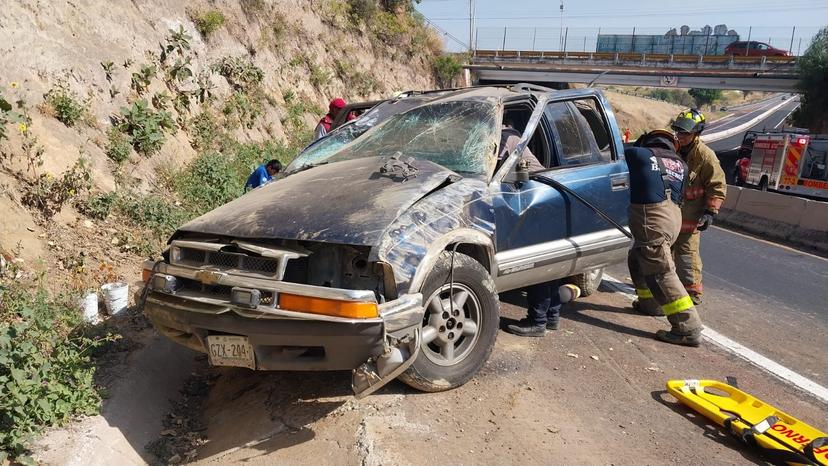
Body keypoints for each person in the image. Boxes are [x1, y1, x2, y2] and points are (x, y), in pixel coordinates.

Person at [625, 129, 704, 347]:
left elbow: (612, 157)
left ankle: (688, 328)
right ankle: (649, 303)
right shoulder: (682, 165)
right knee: (638, 258)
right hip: (673, 217)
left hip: (654, 217)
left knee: (661, 271)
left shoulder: (639, 155)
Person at [670, 109, 727, 305]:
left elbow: (717, 186)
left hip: (689, 218)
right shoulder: (672, 149)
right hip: (668, 216)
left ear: (696, 133)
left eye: (686, 132)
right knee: (661, 255)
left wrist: (710, 212)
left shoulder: (705, 157)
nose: (681, 136)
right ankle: (663, 288)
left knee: (686, 256)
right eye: (679, 131)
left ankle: (691, 294)